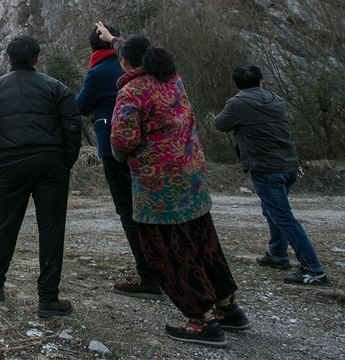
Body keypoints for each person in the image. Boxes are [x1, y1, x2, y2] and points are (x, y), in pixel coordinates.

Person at [98, 23, 250, 348]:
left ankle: (202, 321)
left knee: (170, 251)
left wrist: (117, 154)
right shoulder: (172, 79)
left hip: (158, 187)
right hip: (192, 178)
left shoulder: (132, 91)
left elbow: (122, 140)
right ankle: (227, 307)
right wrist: (114, 41)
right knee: (203, 240)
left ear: (125, 62)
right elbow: (133, 50)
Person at [0, 35, 82, 317]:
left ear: (8, 59)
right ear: (37, 59)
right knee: (51, 228)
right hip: (51, 163)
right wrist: (65, 161)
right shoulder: (57, 88)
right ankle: (48, 298)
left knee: (6, 223)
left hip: (11, 164)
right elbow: (73, 126)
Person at [214, 65, 328, 286]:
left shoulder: (238, 103)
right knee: (274, 211)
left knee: (284, 217)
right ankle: (277, 254)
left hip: (266, 168)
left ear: (237, 85)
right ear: (261, 82)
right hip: (290, 166)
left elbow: (219, 124)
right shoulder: (276, 100)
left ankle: (314, 270)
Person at [75, 23, 162, 300]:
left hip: (116, 149)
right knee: (152, 208)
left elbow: (78, 105)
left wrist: (93, 111)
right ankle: (161, 267)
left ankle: (147, 275)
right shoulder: (158, 75)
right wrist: (114, 38)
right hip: (152, 152)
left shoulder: (100, 72)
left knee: (128, 210)